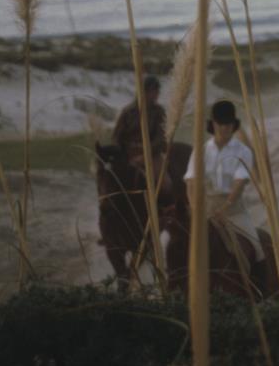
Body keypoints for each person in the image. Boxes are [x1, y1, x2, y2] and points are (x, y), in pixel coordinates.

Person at [184, 99, 261, 269]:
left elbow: (239, 184)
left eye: (229, 123)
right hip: (205, 211)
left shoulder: (243, 151)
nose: (225, 127)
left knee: (257, 249)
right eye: (221, 123)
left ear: (234, 125)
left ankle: (260, 292)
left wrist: (224, 209)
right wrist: (196, 210)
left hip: (233, 210)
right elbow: (191, 182)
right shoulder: (201, 150)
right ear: (213, 124)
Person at [112, 75, 167, 176]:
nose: (157, 94)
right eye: (153, 91)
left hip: (151, 155)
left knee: (166, 185)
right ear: (145, 92)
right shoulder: (128, 112)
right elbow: (116, 137)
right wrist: (122, 155)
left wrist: (145, 155)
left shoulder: (159, 112)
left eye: (157, 91)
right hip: (128, 155)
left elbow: (161, 138)